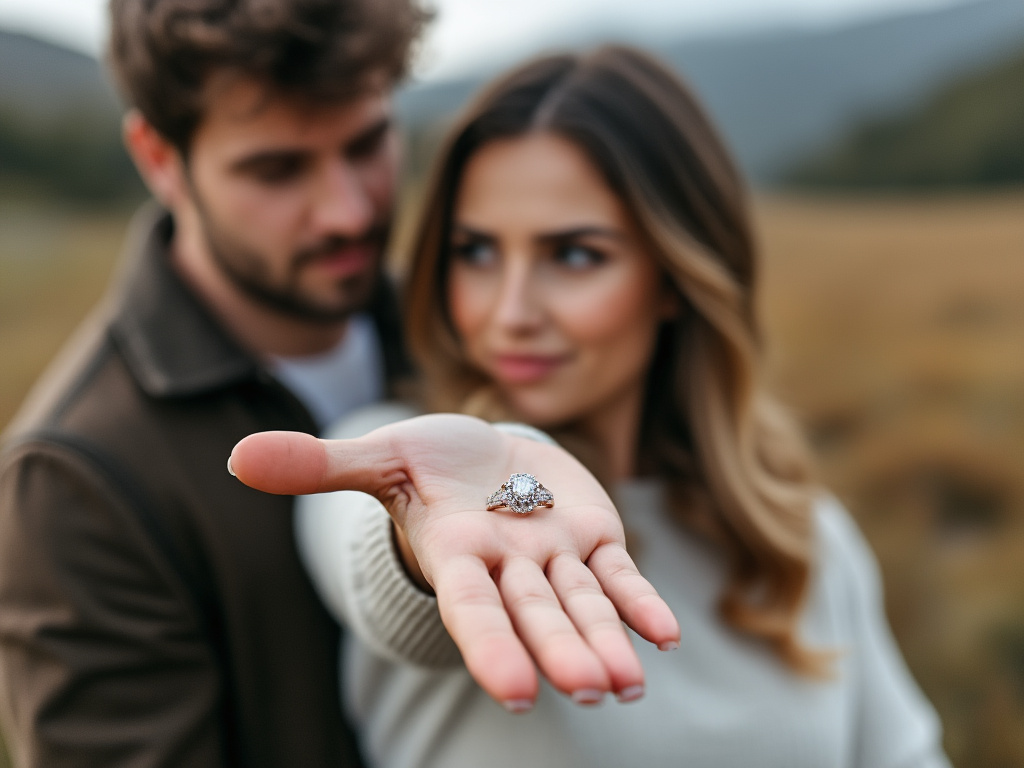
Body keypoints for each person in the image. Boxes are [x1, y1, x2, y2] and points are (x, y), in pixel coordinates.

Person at [231, 45, 952, 766]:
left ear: (673, 276)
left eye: (574, 255)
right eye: (476, 252)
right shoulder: (398, 467)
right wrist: (424, 533)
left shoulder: (804, 537)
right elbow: (371, 557)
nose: (512, 312)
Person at [0, 3, 679, 766]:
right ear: (159, 159)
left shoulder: (472, 328)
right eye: (277, 169)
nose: (348, 212)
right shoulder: (75, 477)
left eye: (366, 144)